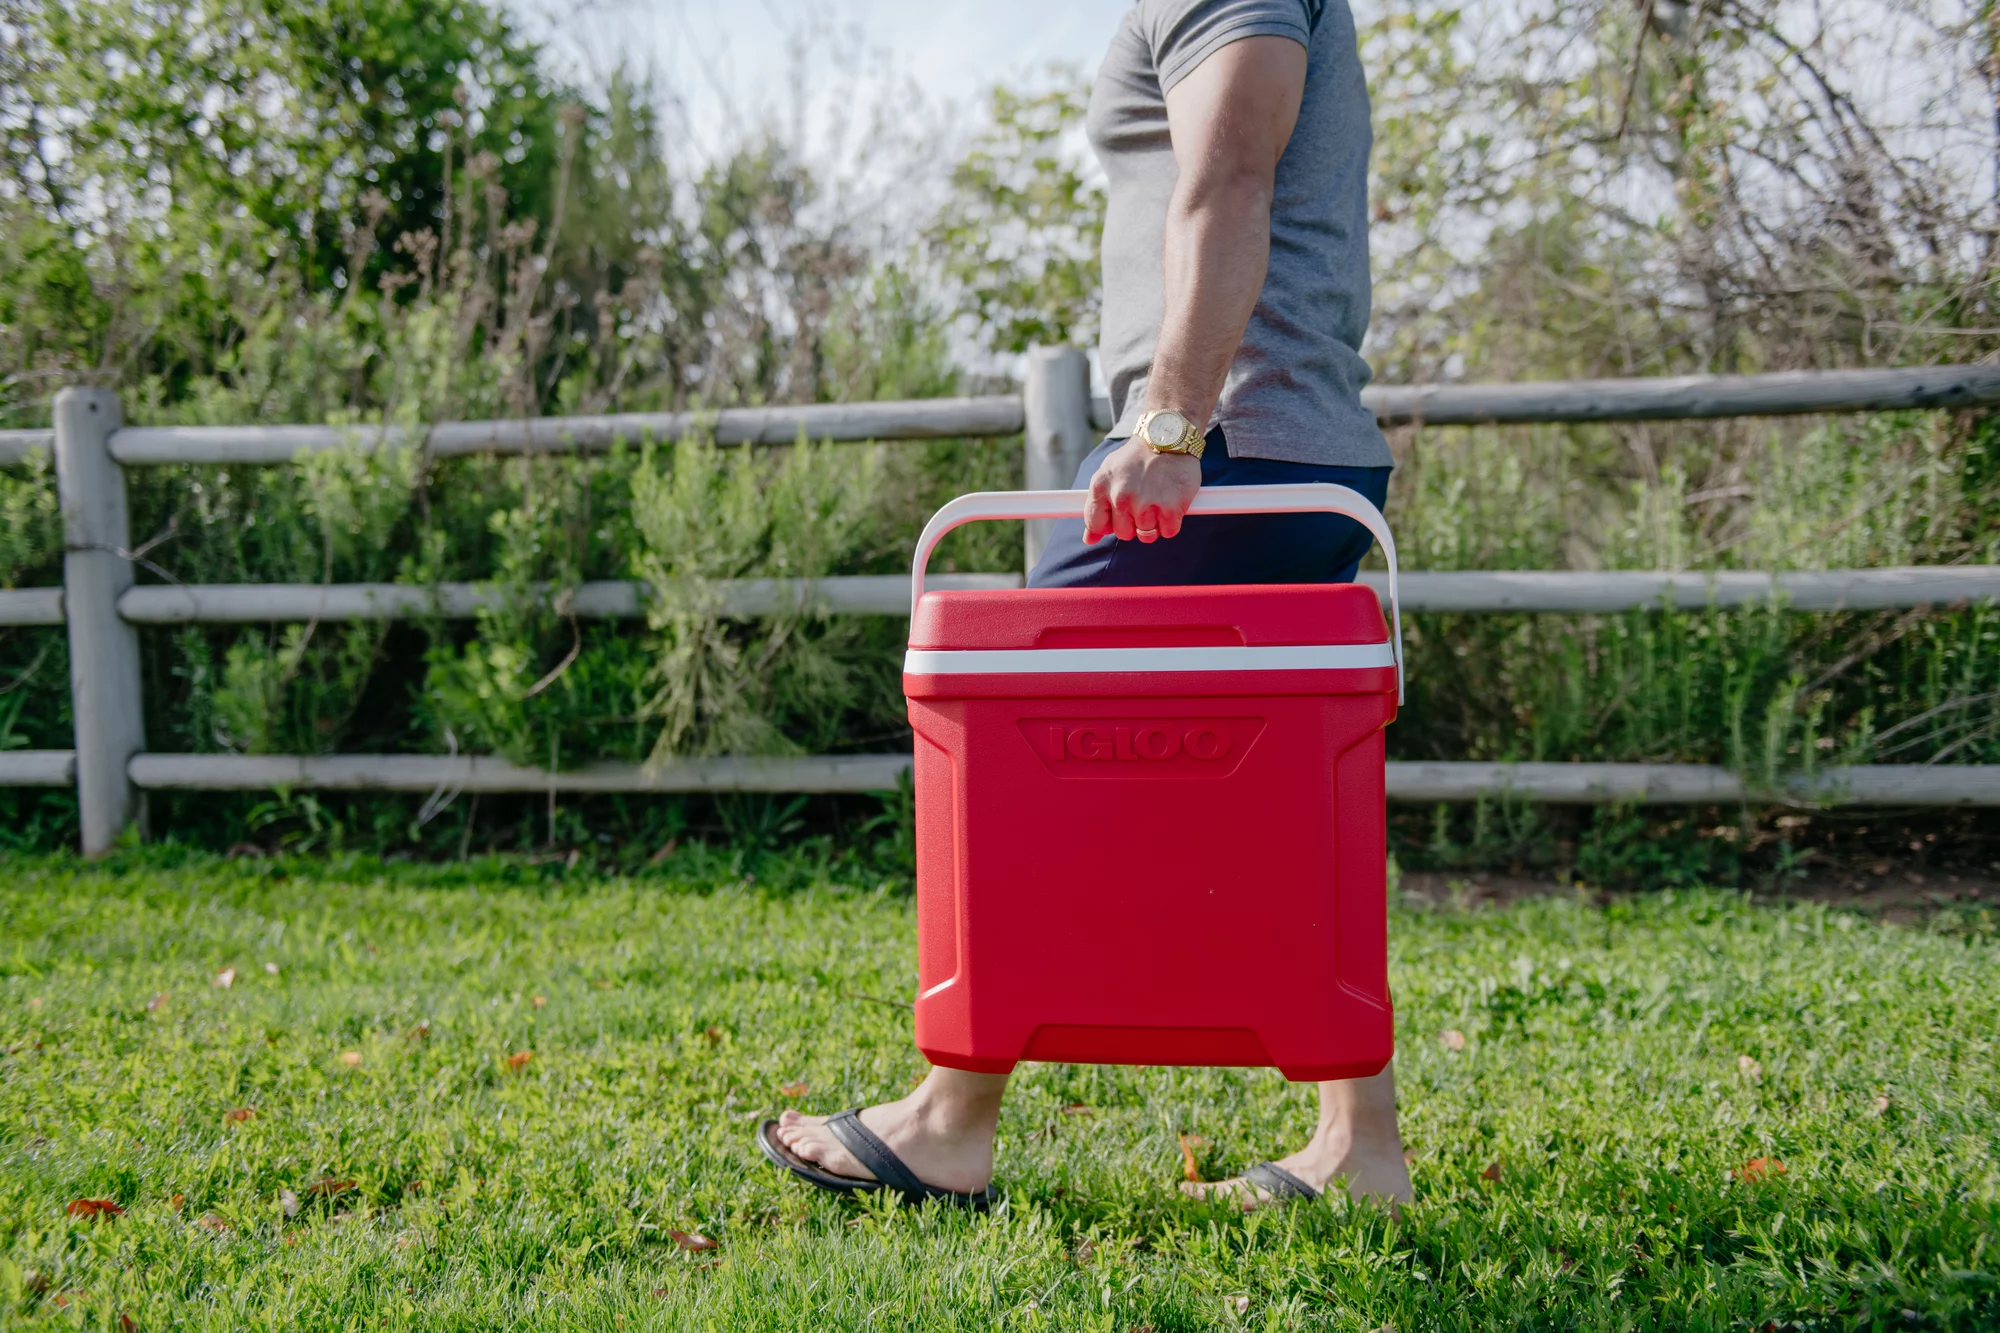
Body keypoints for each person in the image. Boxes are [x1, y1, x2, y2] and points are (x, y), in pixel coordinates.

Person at [761, 0, 1410, 1210]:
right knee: (1296, 793)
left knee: (1020, 764)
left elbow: (1228, 170)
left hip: (1226, 452)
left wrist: (1170, 422)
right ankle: (1357, 1146)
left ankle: (951, 1121)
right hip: (1282, 450)